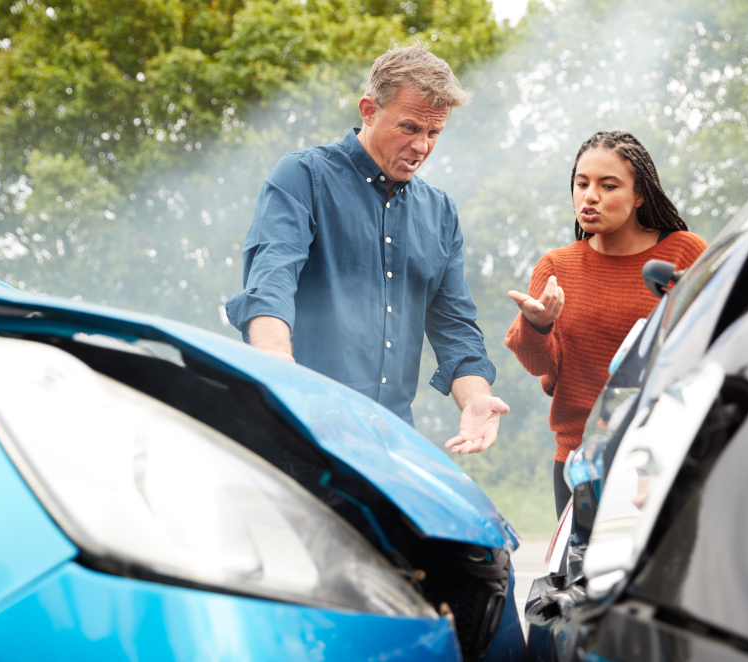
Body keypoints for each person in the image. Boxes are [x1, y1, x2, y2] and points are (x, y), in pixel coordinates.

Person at [224, 43, 509, 454]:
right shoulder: (302, 176)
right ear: (369, 110)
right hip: (296, 433)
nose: (422, 146)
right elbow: (271, 281)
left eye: (434, 133)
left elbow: (455, 328)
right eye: (410, 127)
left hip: (389, 447)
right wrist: (273, 359)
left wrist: (478, 398)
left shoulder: (441, 212)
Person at [504, 131, 708, 517]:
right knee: (580, 577)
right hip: (579, 459)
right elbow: (540, 368)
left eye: (607, 185)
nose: (589, 196)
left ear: (640, 194)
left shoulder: (685, 252)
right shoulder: (556, 268)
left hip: (662, 456)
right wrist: (538, 325)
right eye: (582, 184)